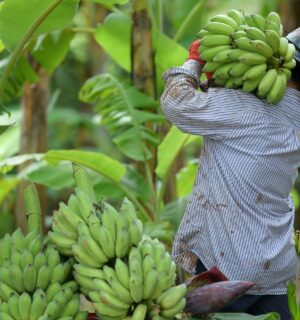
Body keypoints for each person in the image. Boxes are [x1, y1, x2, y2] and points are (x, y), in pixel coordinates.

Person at [160, 27, 300, 320]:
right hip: (277, 267)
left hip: (227, 267)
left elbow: (177, 102)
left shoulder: (244, 107)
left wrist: (194, 62)